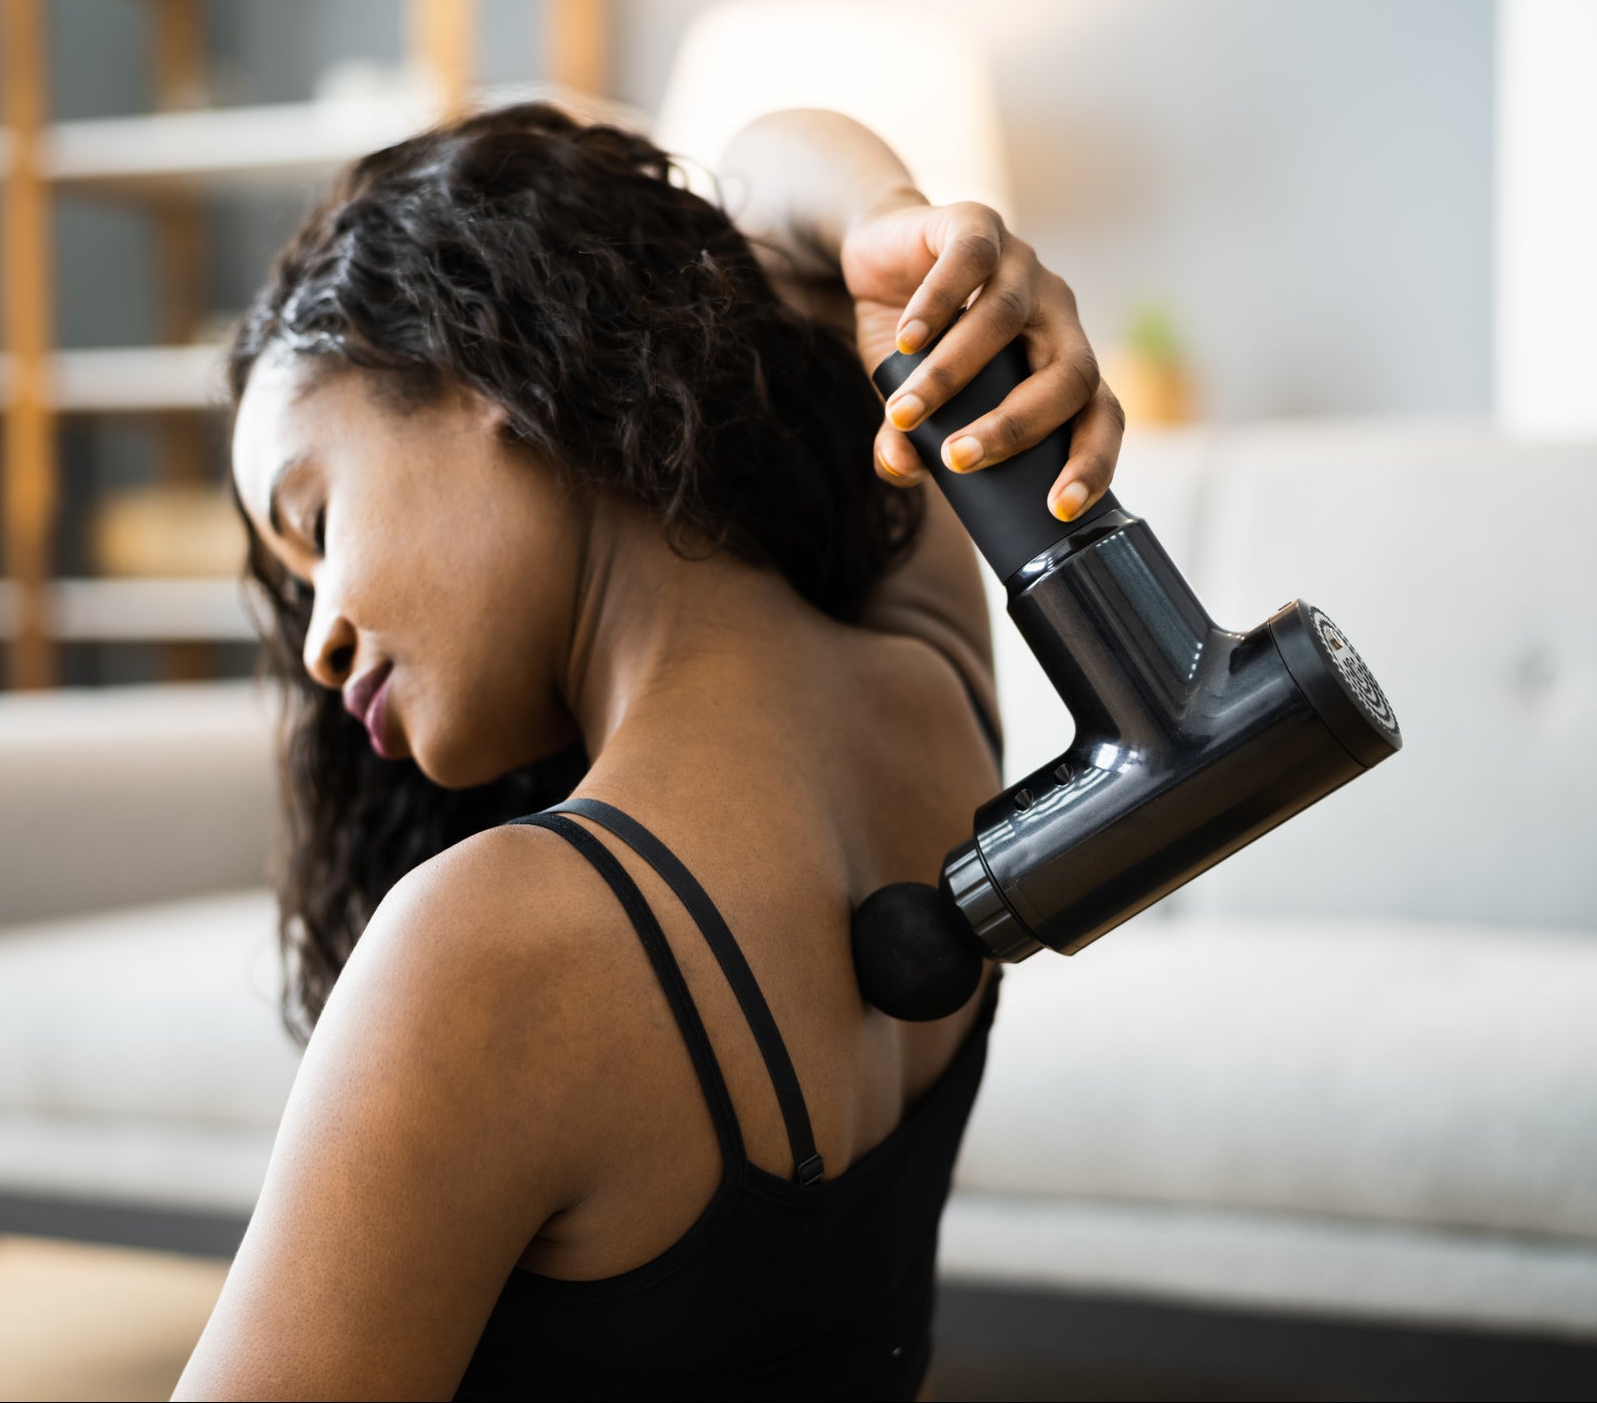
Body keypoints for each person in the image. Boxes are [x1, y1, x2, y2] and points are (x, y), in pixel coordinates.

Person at [173, 102, 1123, 1401]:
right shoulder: (935, 688)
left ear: (490, 371)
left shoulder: (488, 953)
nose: (319, 643)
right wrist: (889, 222)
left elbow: (763, 231)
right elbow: (782, 216)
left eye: (317, 520)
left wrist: (892, 246)